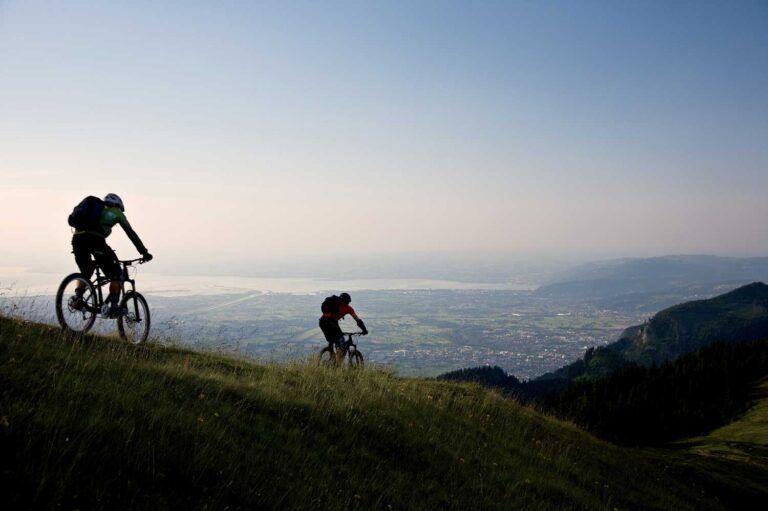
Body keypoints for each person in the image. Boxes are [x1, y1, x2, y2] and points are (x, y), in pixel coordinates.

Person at [70, 193, 153, 317]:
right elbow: (131, 233)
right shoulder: (116, 212)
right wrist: (144, 252)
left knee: (86, 271)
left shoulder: (95, 210)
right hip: (95, 241)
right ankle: (114, 307)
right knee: (116, 274)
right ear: (118, 205)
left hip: (77, 240)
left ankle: (77, 298)